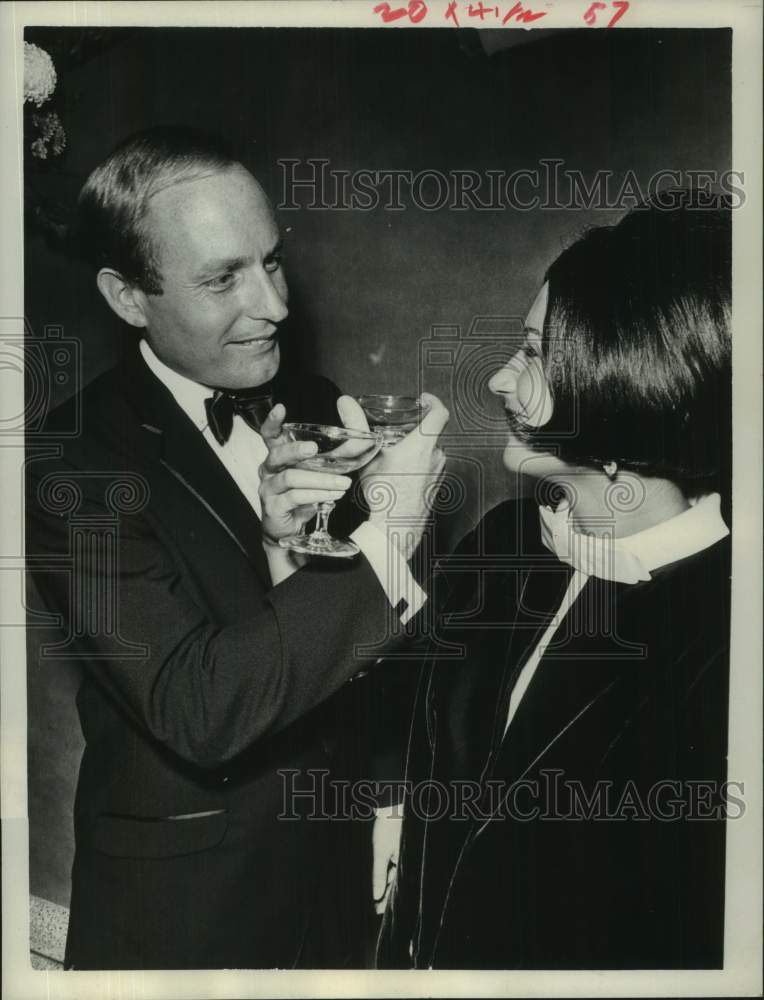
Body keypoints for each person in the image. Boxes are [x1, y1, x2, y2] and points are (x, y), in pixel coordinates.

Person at [25, 126, 448, 970]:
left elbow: (336, 653)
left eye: (273, 262)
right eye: (223, 278)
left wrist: (289, 555)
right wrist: (393, 533)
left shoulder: (314, 400)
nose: (276, 306)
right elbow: (199, 706)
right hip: (184, 915)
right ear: (125, 296)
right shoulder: (70, 461)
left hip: (333, 885)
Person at [376, 200, 732, 969]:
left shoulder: (728, 638)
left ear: (627, 388)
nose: (502, 377)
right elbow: (415, 725)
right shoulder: (505, 540)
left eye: (535, 355)